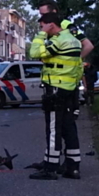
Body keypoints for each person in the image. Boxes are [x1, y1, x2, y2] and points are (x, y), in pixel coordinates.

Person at [30, 13, 84, 181]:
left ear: (50, 25)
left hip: (55, 89)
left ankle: (51, 168)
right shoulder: (74, 40)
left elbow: (34, 53)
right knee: (69, 127)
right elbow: (78, 66)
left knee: (54, 129)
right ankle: (73, 167)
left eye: (42, 26)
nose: (41, 29)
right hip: (69, 88)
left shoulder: (58, 40)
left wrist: (41, 35)